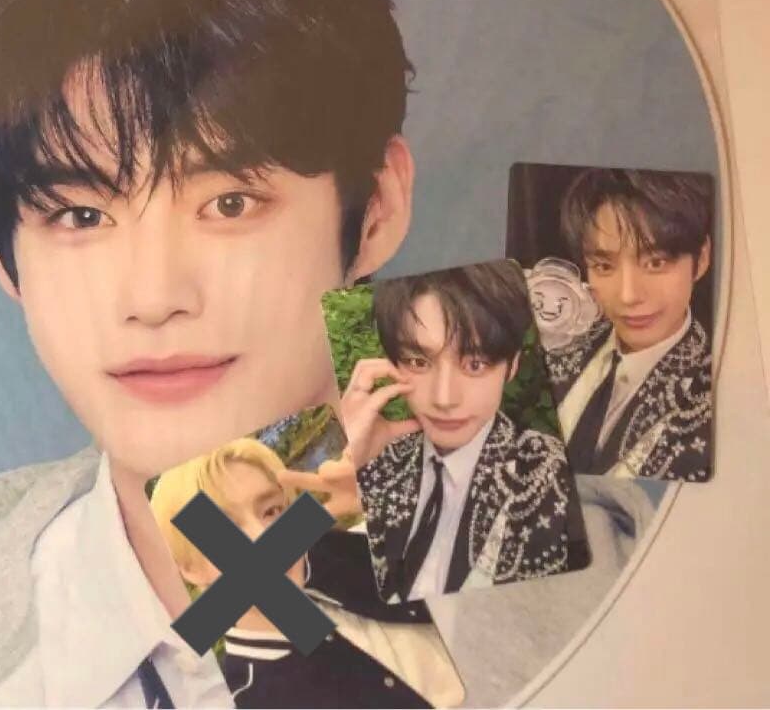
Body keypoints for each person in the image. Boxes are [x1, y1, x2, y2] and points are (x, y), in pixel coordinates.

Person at [0, 0, 415, 706]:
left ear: (376, 210)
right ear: (9, 265)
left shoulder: (558, 575)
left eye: (230, 203)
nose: (154, 298)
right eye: (81, 216)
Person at [285, 261, 586, 604]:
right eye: (418, 362)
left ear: (512, 366)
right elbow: (256, 584)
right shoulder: (382, 462)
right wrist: (353, 456)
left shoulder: (549, 471)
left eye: (475, 364)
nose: (444, 398)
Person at [149, 438, 464, 709]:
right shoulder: (247, 698)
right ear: (190, 569)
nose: (263, 536)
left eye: (271, 511)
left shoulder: (341, 553)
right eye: (222, 534)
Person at [547, 167, 713, 481]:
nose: (628, 296)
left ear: (701, 258)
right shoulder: (561, 344)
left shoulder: (718, 394)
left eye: (655, 263)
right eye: (603, 266)